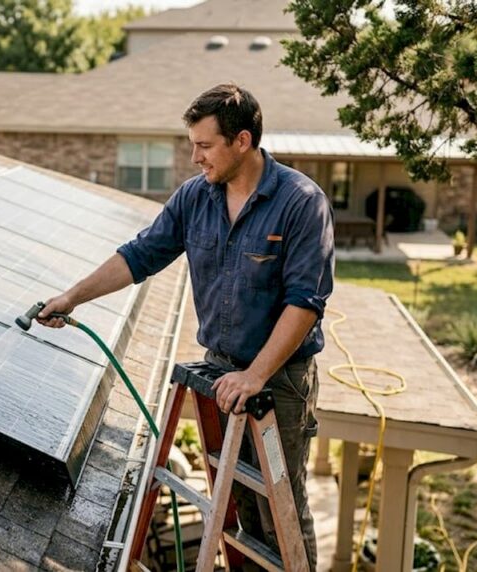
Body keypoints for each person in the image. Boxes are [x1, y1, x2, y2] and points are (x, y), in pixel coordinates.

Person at [38, 83, 334, 571]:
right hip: (220, 374)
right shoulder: (196, 197)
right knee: (236, 499)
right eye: (191, 144)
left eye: (204, 145)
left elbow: (305, 303)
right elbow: (140, 255)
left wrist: (255, 375)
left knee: (282, 506)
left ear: (242, 141)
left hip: (278, 381)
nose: (195, 157)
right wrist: (71, 297)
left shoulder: (301, 202)